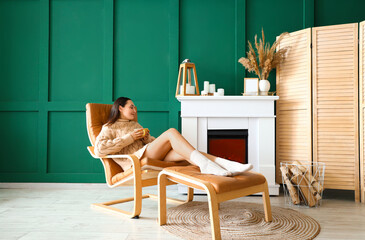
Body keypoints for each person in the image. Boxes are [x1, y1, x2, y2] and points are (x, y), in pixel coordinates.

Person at [94, 97, 253, 176]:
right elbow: (99, 149)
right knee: (171, 132)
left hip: (146, 152)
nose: (135, 110)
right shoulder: (109, 127)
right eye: (131, 107)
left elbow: (151, 144)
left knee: (186, 153)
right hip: (134, 161)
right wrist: (130, 138)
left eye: (135, 107)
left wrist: (146, 138)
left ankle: (227, 165)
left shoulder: (135, 125)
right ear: (120, 108)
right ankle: (211, 166)